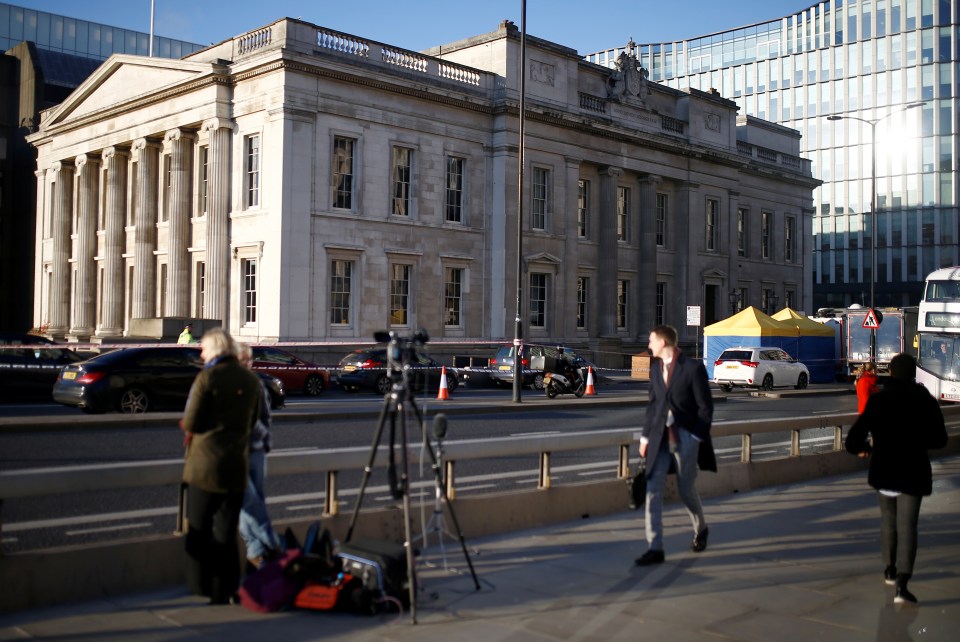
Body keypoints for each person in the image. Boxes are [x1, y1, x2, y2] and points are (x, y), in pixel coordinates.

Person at [845, 353, 947, 606]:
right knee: (908, 527)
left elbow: (855, 436)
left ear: (890, 372)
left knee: (888, 521)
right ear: (914, 374)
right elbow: (940, 440)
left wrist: (864, 448)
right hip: (914, 471)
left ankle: (889, 569)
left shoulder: (879, 400)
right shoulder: (926, 400)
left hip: (885, 469)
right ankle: (903, 583)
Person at [180, 327, 263, 605]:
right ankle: (226, 590)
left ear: (213, 349)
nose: (201, 354)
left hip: (204, 468)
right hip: (235, 466)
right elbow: (252, 423)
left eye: (203, 348)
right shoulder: (251, 380)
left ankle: (200, 585)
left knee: (199, 529)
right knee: (226, 532)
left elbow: (191, 422)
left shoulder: (207, 377)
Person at [635, 324, 716, 566]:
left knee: (686, 489)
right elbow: (653, 406)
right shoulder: (655, 369)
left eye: (651, 341)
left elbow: (705, 408)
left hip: (685, 437)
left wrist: (696, 437)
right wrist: (645, 437)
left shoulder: (692, 368)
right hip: (659, 437)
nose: (648, 345)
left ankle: (700, 528)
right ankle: (655, 547)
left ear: (663, 342)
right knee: (652, 491)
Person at [236, 343, 284, 569]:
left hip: (256, 451)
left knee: (255, 501)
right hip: (237, 452)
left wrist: (265, 442)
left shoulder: (256, 384)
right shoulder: (231, 384)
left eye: (249, 361)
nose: (248, 364)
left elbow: (266, 416)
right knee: (249, 502)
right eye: (243, 360)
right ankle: (270, 543)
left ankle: (256, 552)